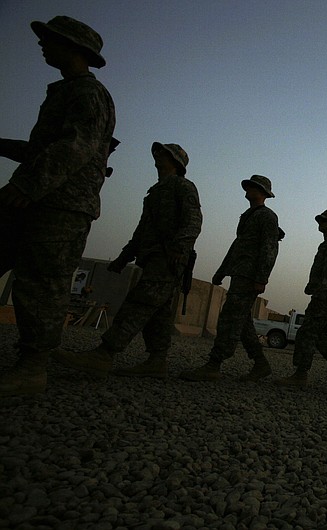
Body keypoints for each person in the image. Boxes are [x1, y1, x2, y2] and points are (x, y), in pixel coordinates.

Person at [0, 16, 115, 396]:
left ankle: (33, 367)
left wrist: (27, 183)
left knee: (42, 283)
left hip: (60, 205)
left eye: (51, 39)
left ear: (75, 48)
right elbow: (43, 149)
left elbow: (75, 146)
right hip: (38, 198)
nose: (42, 45)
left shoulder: (88, 94)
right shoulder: (66, 91)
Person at [53, 143, 202, 378]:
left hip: (169, 258)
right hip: (153, 256)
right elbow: (142, 231)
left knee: (139, 302)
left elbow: (193, 221)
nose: (158, 156)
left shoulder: (183, 187)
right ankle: (156, 360)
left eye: (164, 153)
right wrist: (123, 257)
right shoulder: (154, 193)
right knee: (158, 312)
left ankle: (104, 354)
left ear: (175, 161)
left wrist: (179, 248)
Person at [181, 175, 279, 382]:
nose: (247, 189)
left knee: (229, 318)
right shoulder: (248, 216)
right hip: (239, 273)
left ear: (261, 191)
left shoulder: (267, 216)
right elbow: (237, 245)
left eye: (252, 187)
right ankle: (260, 364)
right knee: (241, 320)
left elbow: (270, 249)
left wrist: (261, 278)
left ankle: (214, 364)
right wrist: (222, 270)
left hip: (249, 276)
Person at [275, 210, 327, 389]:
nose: (321, 223)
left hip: (326, 298)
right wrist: (312, 286)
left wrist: (320, 293)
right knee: (318, 335)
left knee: (306, 332)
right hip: (324, 295)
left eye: (325, 220)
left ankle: (300, 375)